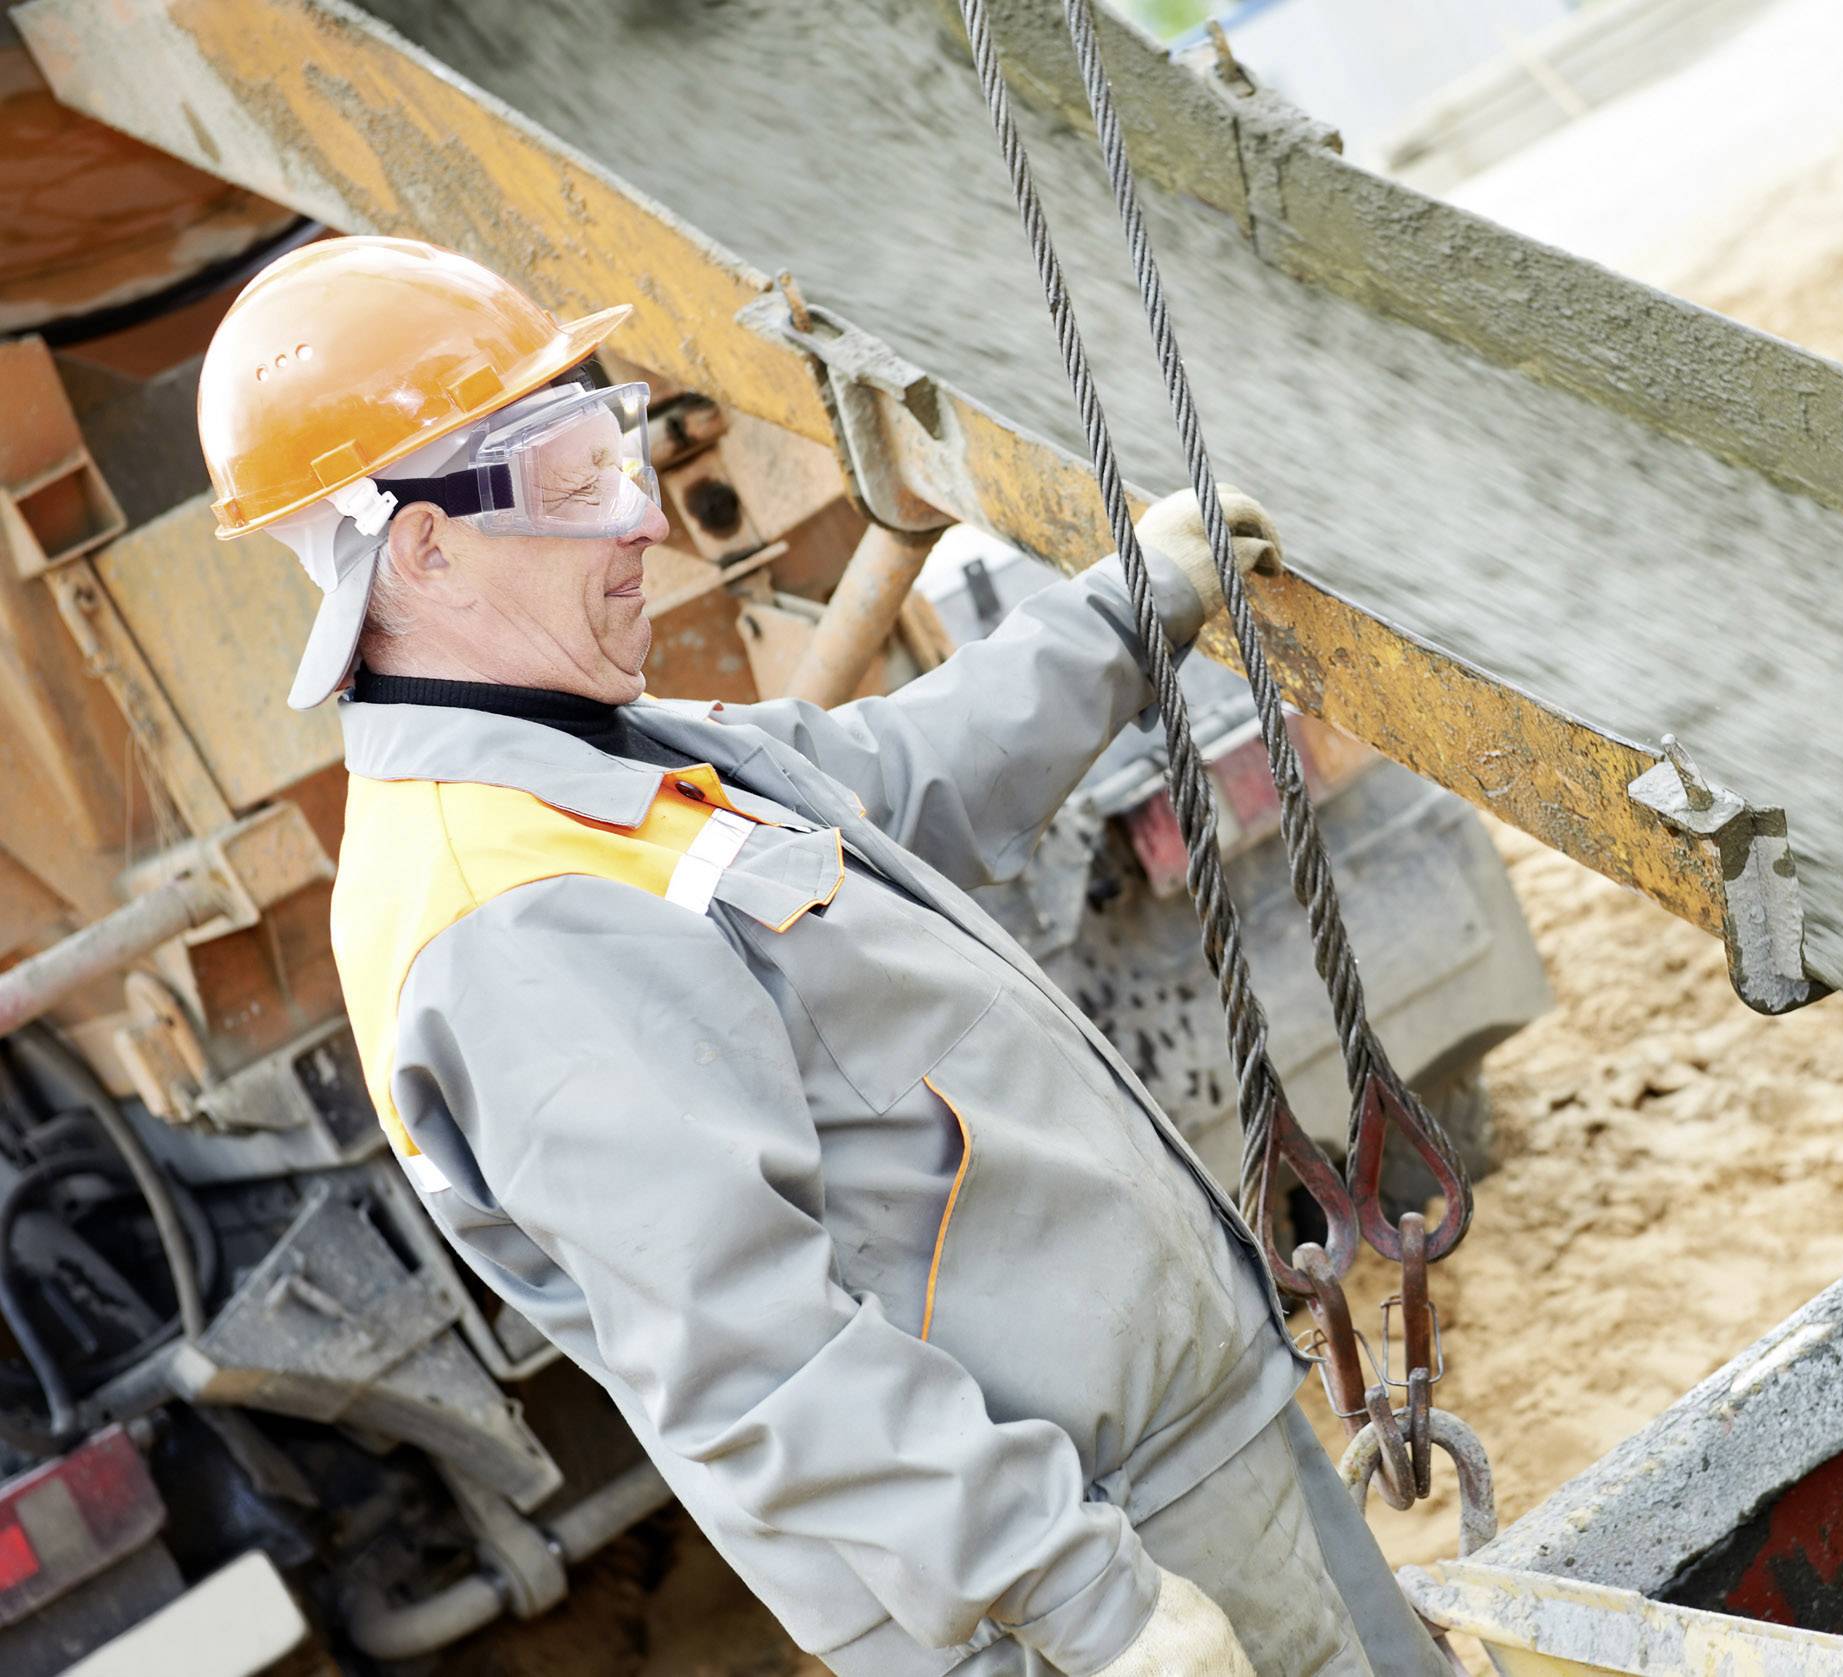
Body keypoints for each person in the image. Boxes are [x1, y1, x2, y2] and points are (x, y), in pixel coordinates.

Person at [197, 236, 1449, 1677]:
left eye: (616, 449)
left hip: (1176, 1462)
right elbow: (753, 1352)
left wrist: (1132, 606)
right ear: (420, 547)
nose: (642, 521)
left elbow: (909, 776)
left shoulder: (597, 764)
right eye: (575, 479)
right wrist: (1088, 1604)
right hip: (1081, 1558)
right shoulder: (512, 917)